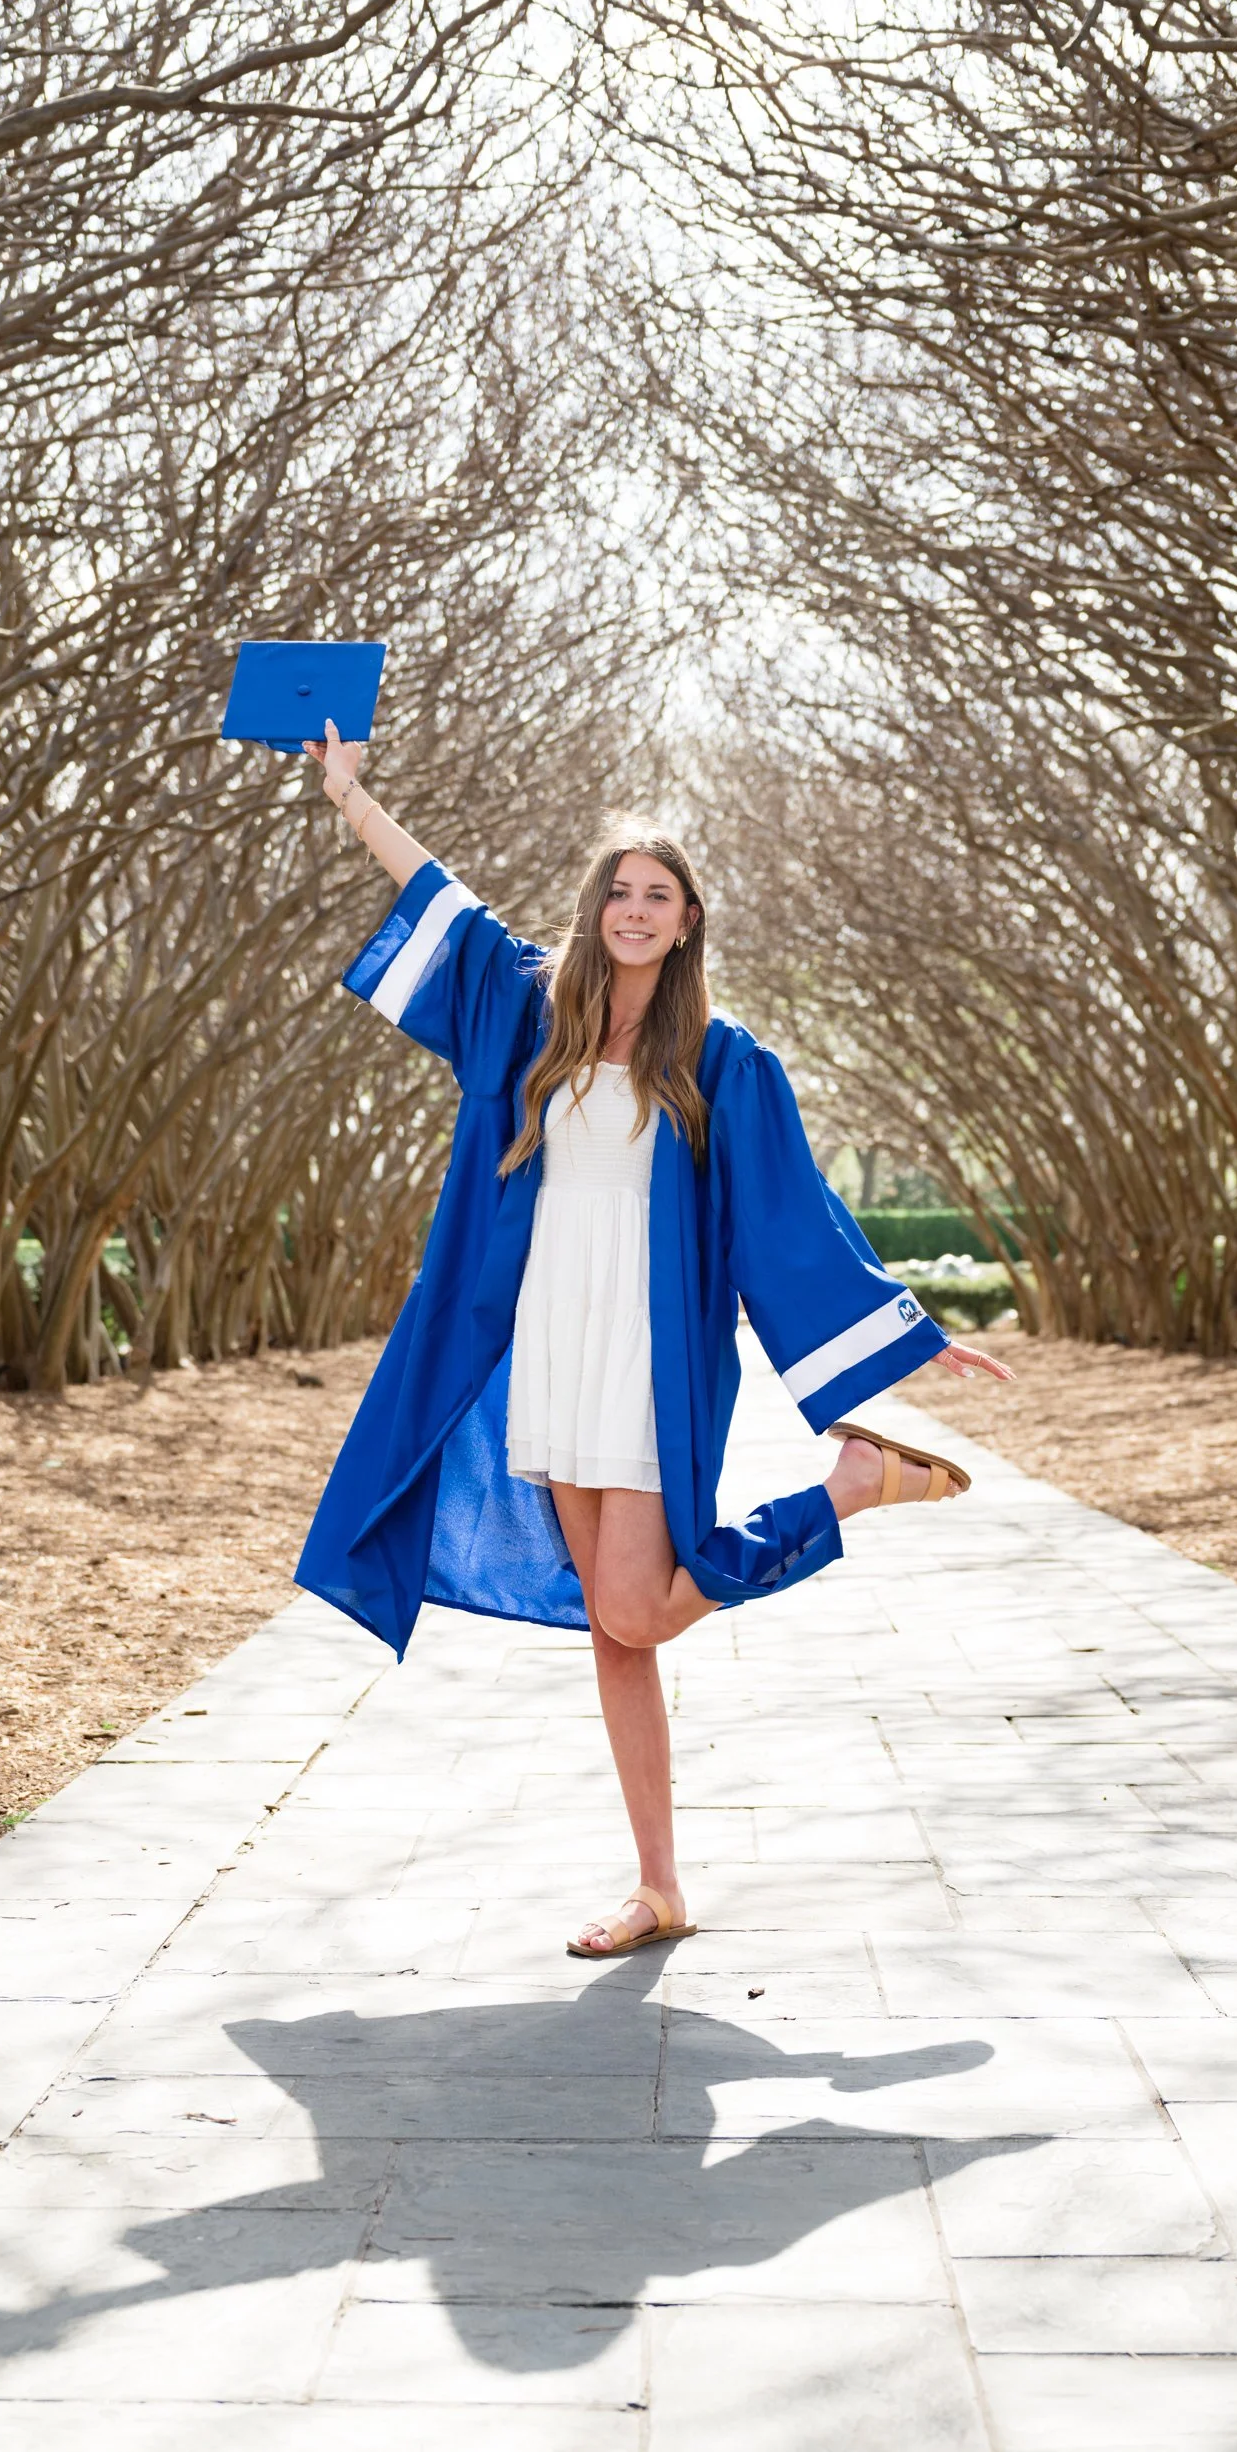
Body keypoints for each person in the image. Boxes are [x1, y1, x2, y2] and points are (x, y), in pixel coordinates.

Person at [295, 722, 1012, 1958]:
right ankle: (658, 1884)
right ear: (595, 909)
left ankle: (842, 1492)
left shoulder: (723, 1064)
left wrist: (903, 1336)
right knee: (615, 1632)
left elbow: (794, 1222)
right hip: (549, 1349)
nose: (633, 909)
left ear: (686, 923)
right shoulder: (528, 1017)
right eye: (617, 891)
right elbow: (438, 900)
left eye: (657, 895)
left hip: (642, 1360)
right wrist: (351, 794)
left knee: (633, 1607)